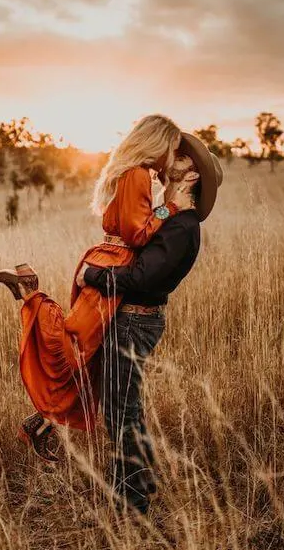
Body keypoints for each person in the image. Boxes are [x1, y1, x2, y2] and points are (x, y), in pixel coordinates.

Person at [0, 115, 190, 463]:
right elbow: (138, 233)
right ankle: (28, 289)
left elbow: (134, 222)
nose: (173, 154)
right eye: (172, 147)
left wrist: (163, 206)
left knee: (89, 356)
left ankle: (42, 424)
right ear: (158, 144)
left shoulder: (133, 175)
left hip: (109, 259)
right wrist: (172, 208)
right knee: (73, 345)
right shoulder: (138, 174)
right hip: (113, 265)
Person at [76, 136, 223, 515]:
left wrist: (93, 275)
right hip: (132, 320)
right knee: (127, 407)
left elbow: (140, 278)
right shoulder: (171, 218)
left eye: (182, 157)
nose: (173, 158)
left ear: (190, 175)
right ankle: (140, 479)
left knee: (120, 411)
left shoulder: (182, 227)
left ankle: (131, 501)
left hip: (135, 323)